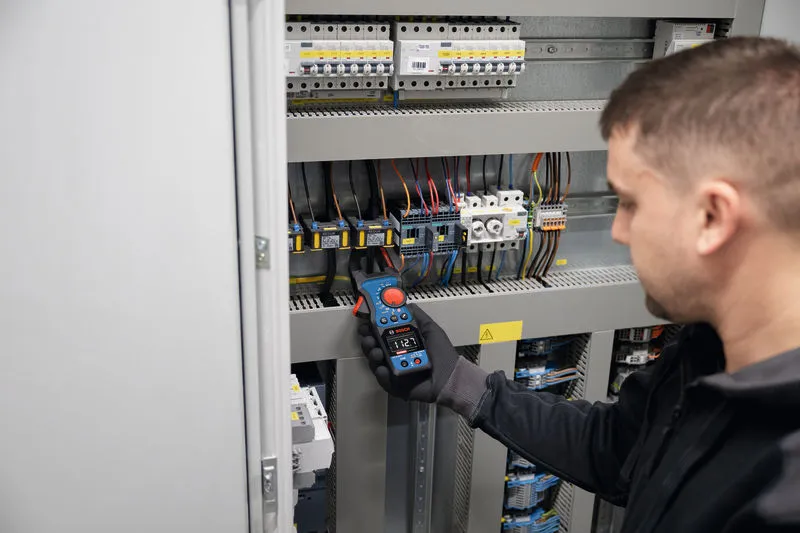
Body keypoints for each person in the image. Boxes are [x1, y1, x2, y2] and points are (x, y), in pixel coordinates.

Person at [359, 37, 800, 533]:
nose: (617, 230)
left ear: (713, 216)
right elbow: (612, 448)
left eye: (630, 203)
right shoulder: (707, 352)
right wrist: (458, 382)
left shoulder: (783, 493)